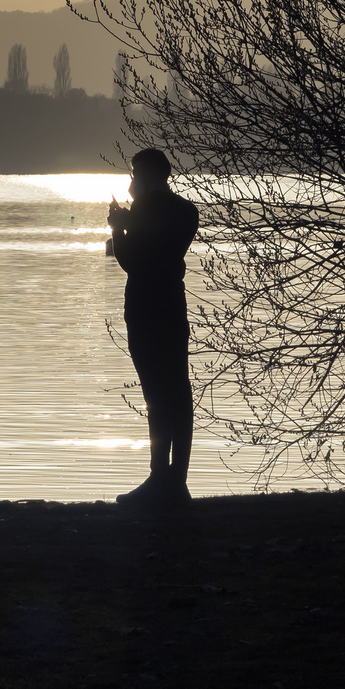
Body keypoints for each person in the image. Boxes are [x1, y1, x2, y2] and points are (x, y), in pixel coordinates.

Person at [108, 148, 199, 504]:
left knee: (155, 393)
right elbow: (163, 250)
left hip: (145, 306)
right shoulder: (186, 211)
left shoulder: (143, 210)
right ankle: (177, 479)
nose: (131, 181)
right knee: (178, 389)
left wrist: (118, 228)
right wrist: (131, 218)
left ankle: (159, 477)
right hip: (174, 306)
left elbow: (132, 261)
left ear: (146, 175)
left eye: (134, 174)